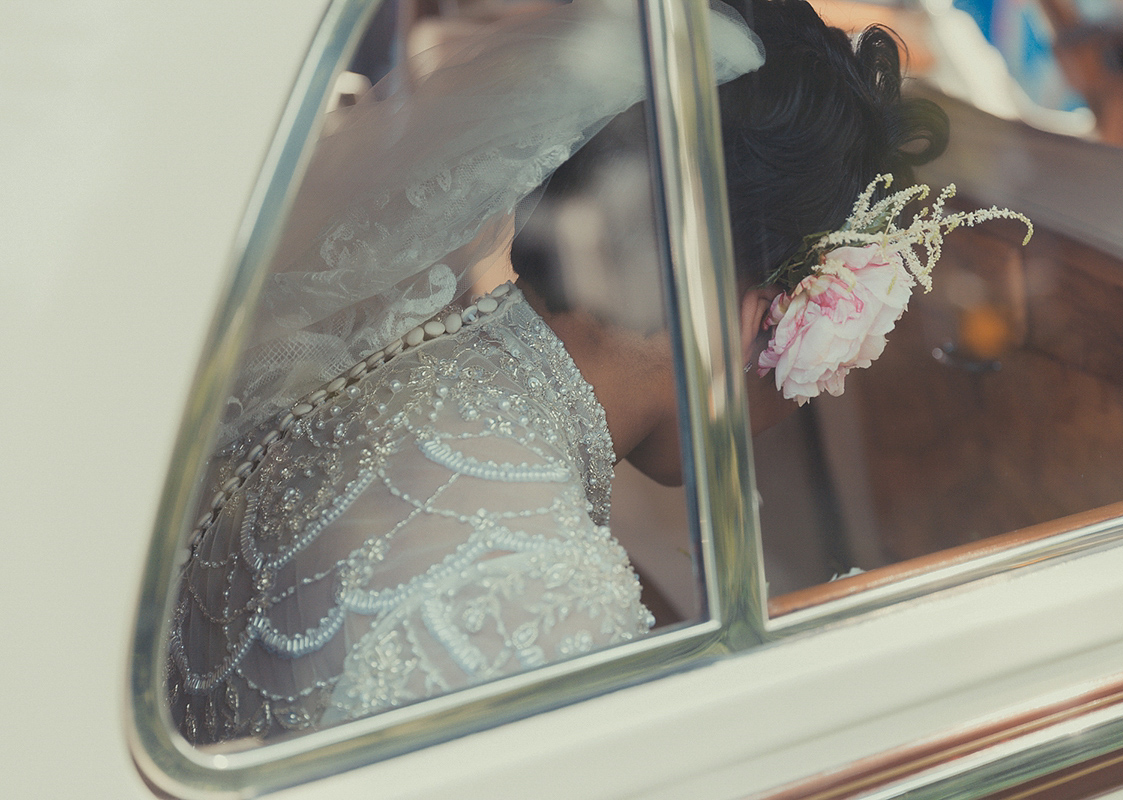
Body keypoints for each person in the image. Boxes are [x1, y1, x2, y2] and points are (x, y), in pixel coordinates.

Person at [168, 0, 947, 745]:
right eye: (839, 350)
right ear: (764, 313)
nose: (814, 389)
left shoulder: (384, 368)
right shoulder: (545, 600)